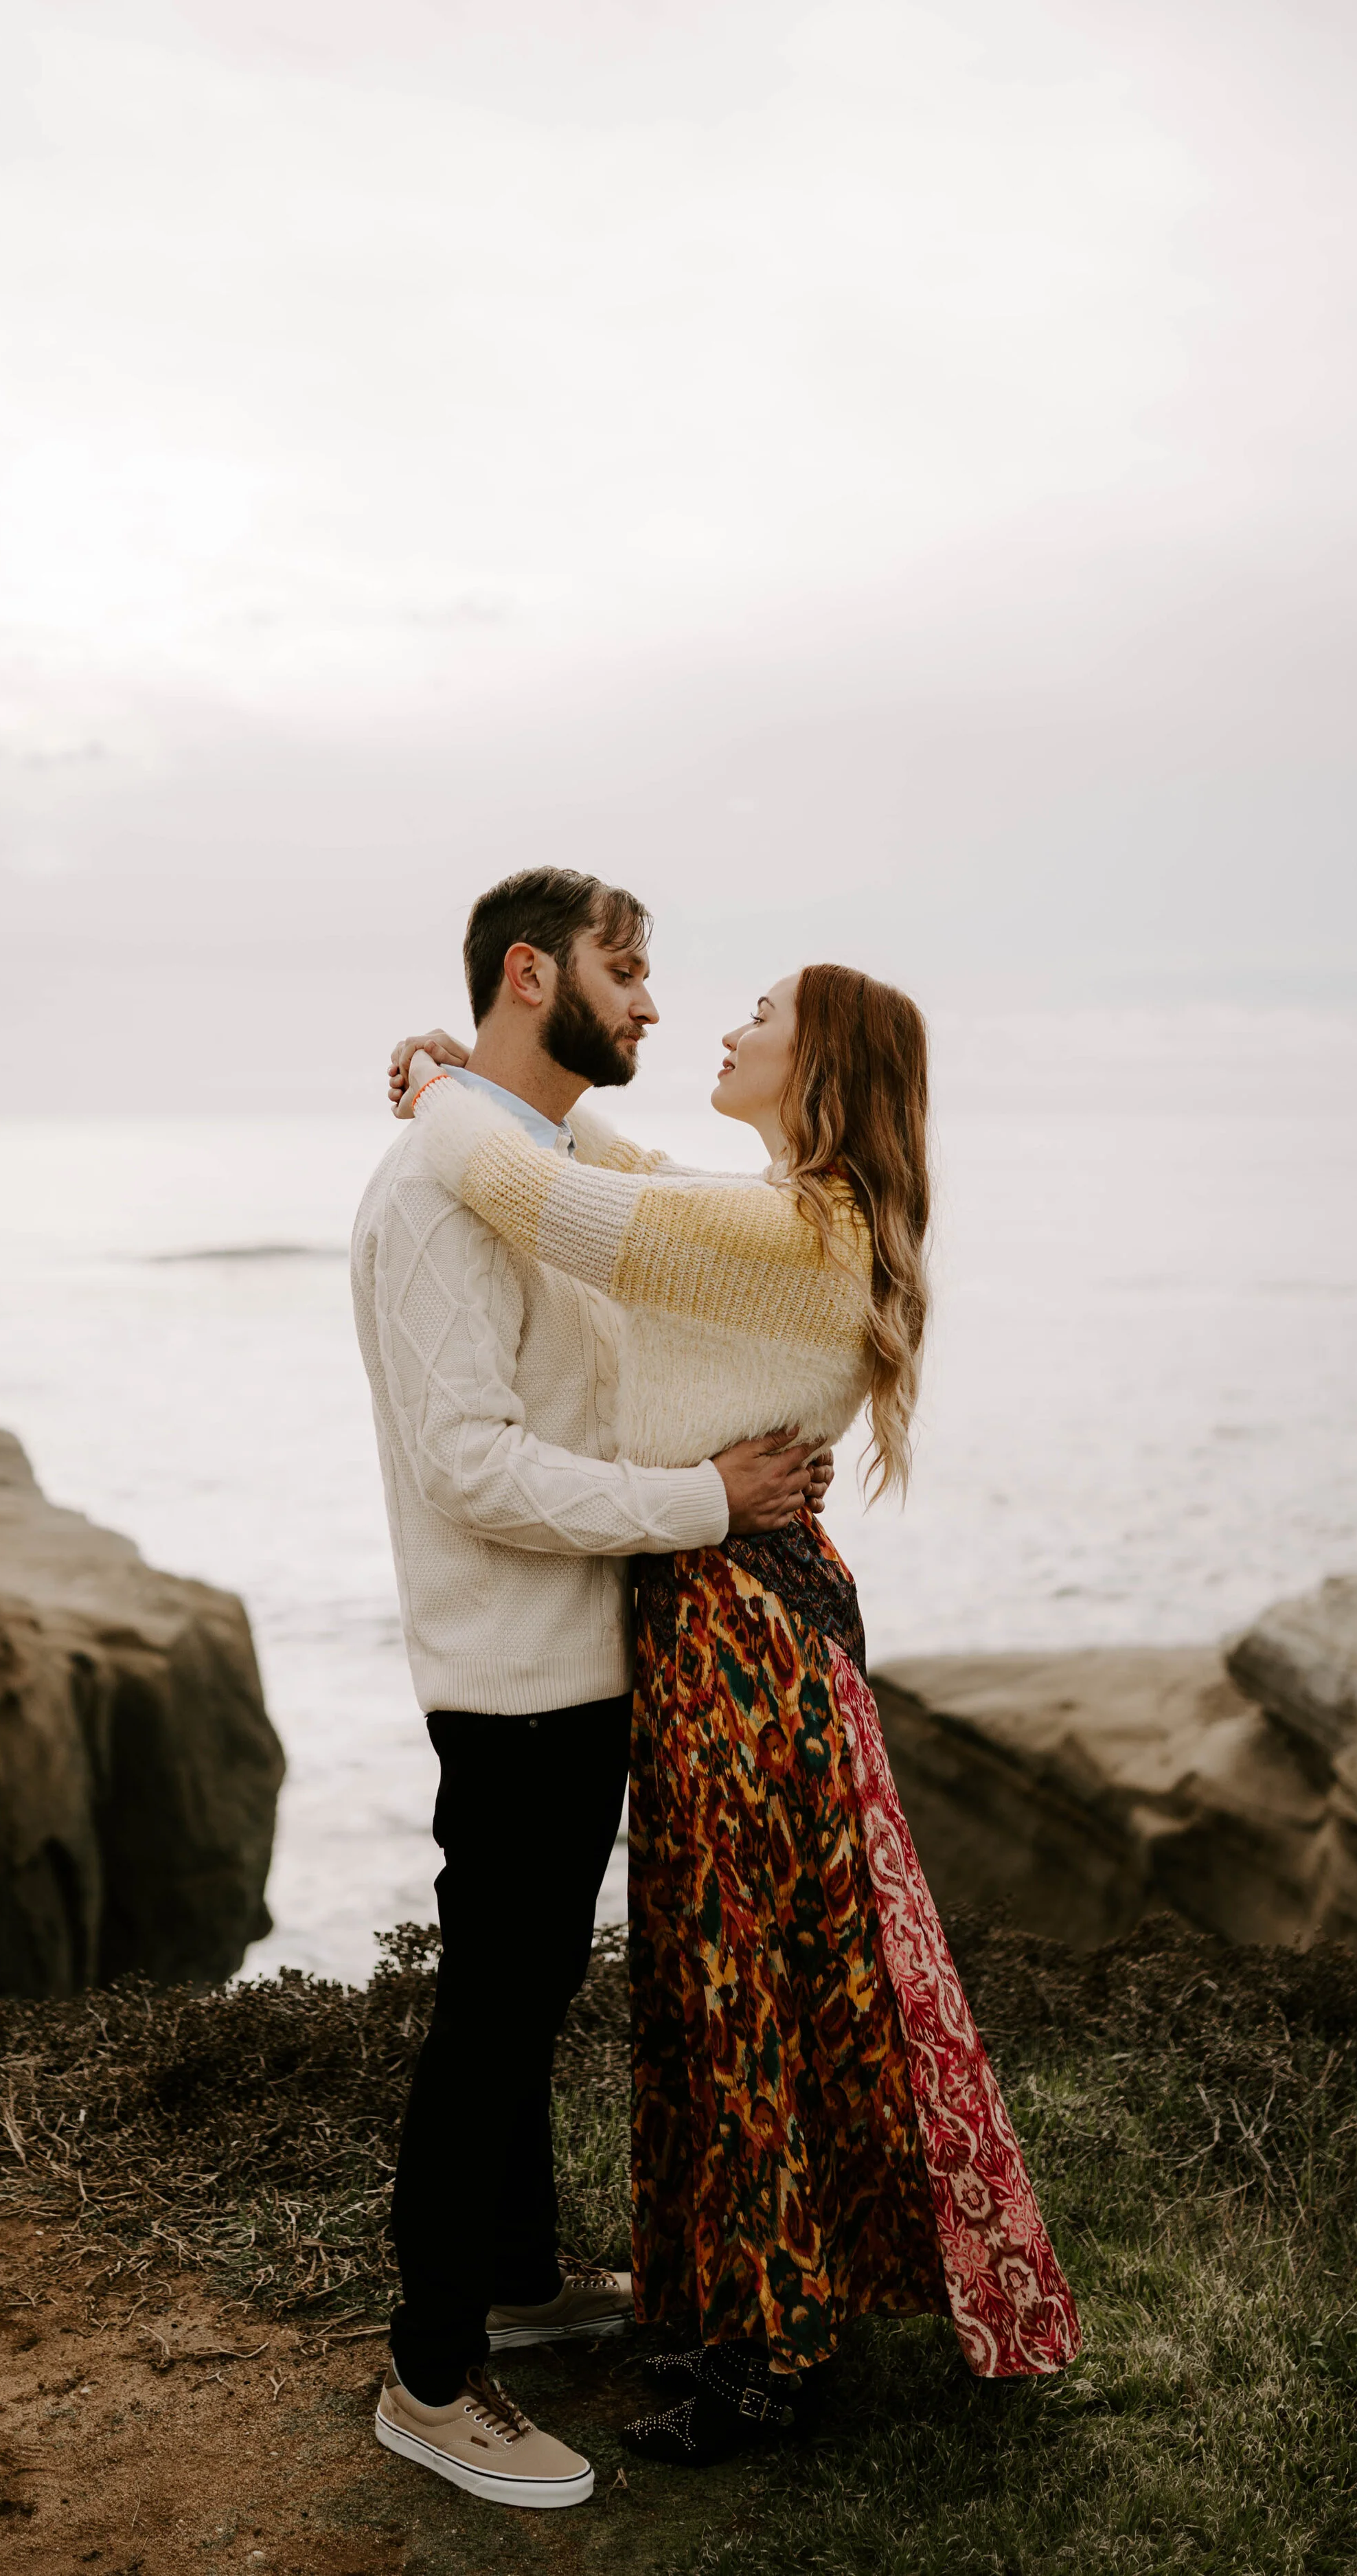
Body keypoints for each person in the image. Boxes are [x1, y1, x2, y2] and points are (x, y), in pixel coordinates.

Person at [391, 959, 1082, 2467]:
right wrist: (485, 1095)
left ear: (819, 1062)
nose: (720, 1027)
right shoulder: (791, 1214)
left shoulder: (782, 1228)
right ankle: (759, 2313)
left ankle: (763, 2356)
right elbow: (624, 1176)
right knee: (765, 1972)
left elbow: (545, 1205)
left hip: (730, 1626)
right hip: (746, 1606)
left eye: (757, 1016)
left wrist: (446, 1092)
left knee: (738, 1980)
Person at [350, 867, 831, 2511]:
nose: (649, 1008)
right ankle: (429, 2376)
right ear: (533, 973)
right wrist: (708, 1503)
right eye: (628, 977)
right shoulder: (437, 1195)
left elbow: (661, 1242)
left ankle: (514, 2278)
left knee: (531, 1988)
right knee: (490, 2015)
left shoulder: (529, 1166)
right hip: (511, 1677)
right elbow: (470, 1465)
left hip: (578, 1660)